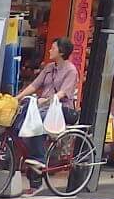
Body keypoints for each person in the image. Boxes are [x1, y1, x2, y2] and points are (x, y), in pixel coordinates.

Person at [14, 37, 82, 191]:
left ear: (62, 52)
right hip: (43, 108)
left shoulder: (71, 70)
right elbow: (34, 85)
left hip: (62, 110)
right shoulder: (49, 67)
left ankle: (38, 160)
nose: (50, 50)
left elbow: (63, 93)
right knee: (19, 121)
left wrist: (43, 101)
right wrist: (17, 98)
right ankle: (30, 160)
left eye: (53, 48)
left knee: (37, 124)